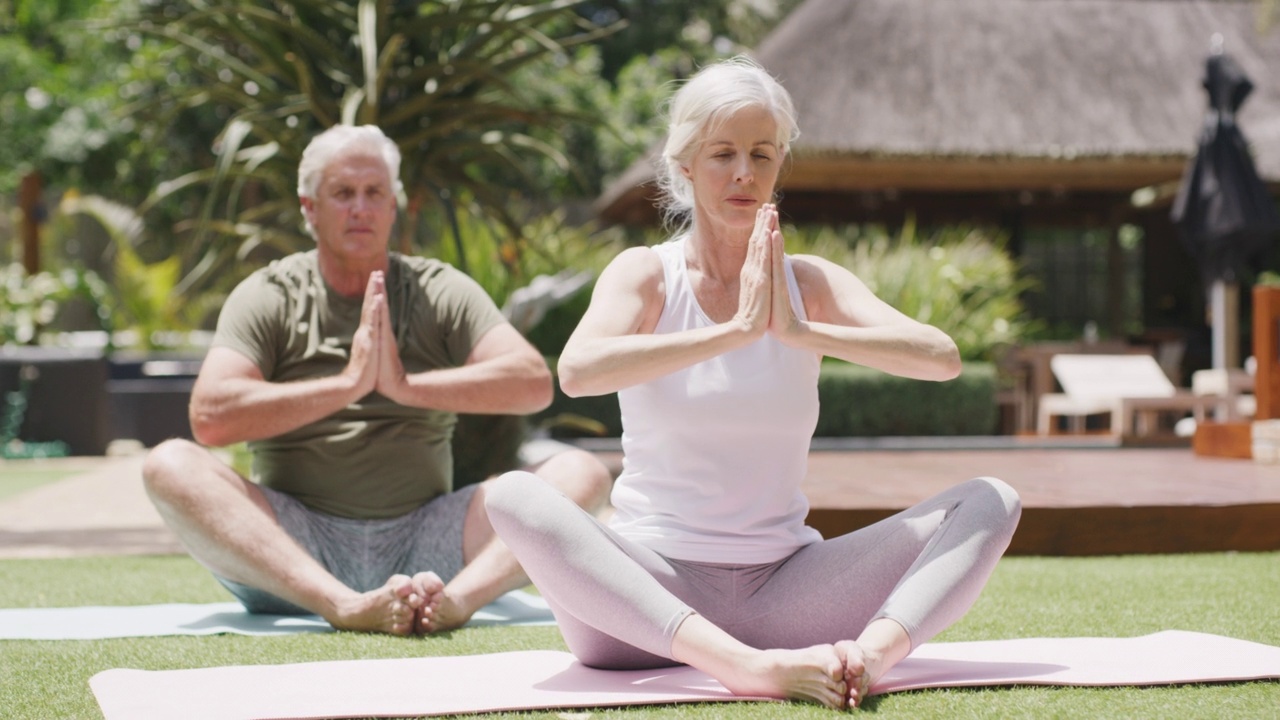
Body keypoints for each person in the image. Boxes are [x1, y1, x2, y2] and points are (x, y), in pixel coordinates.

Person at [484, 57, 1021, 709]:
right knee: (513, 495)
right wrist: (735, 332)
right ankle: (740, 666)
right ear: (685, 163)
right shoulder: (645, 275)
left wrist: (801, 332)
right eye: (723, 154)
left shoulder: (810, 284)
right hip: (645, 604)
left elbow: (941, 357)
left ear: (779, 164)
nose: (745, 173)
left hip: (788, 594)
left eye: (762, 155)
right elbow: (578, 370)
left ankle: (869, 658)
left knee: (991, 499)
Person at [142, 124, 612, 636]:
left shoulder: (438, 289)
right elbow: (210, 417)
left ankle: (454, 602)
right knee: (169, 463)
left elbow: (531, 383)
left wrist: (403, 386)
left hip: (430, 539)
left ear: (394, 207)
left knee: (581, 472)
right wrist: (347, 383)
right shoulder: (269, 294)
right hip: (294, 550)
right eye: (342, 193)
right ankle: (341, 605)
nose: (360, 208)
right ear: (309, 208)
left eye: (375, 194)